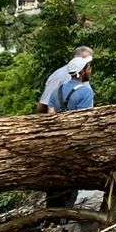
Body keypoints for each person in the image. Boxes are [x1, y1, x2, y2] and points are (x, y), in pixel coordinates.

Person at [42, 55, 96, 207]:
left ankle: (51, 215)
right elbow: (85, 121)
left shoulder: (56, 92)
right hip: (75, 145)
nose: (90, 71)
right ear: (82, 72)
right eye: (88, 68)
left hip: (56, 144)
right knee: (71, 184)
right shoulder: (86, 92)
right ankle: (64, 217)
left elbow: (51, 118)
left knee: (55, 183)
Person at [38, 46, 92, 114]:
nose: (90, 68)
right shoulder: (59, 75)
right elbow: (44, 105)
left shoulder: (84, 80)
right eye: (87, 64)